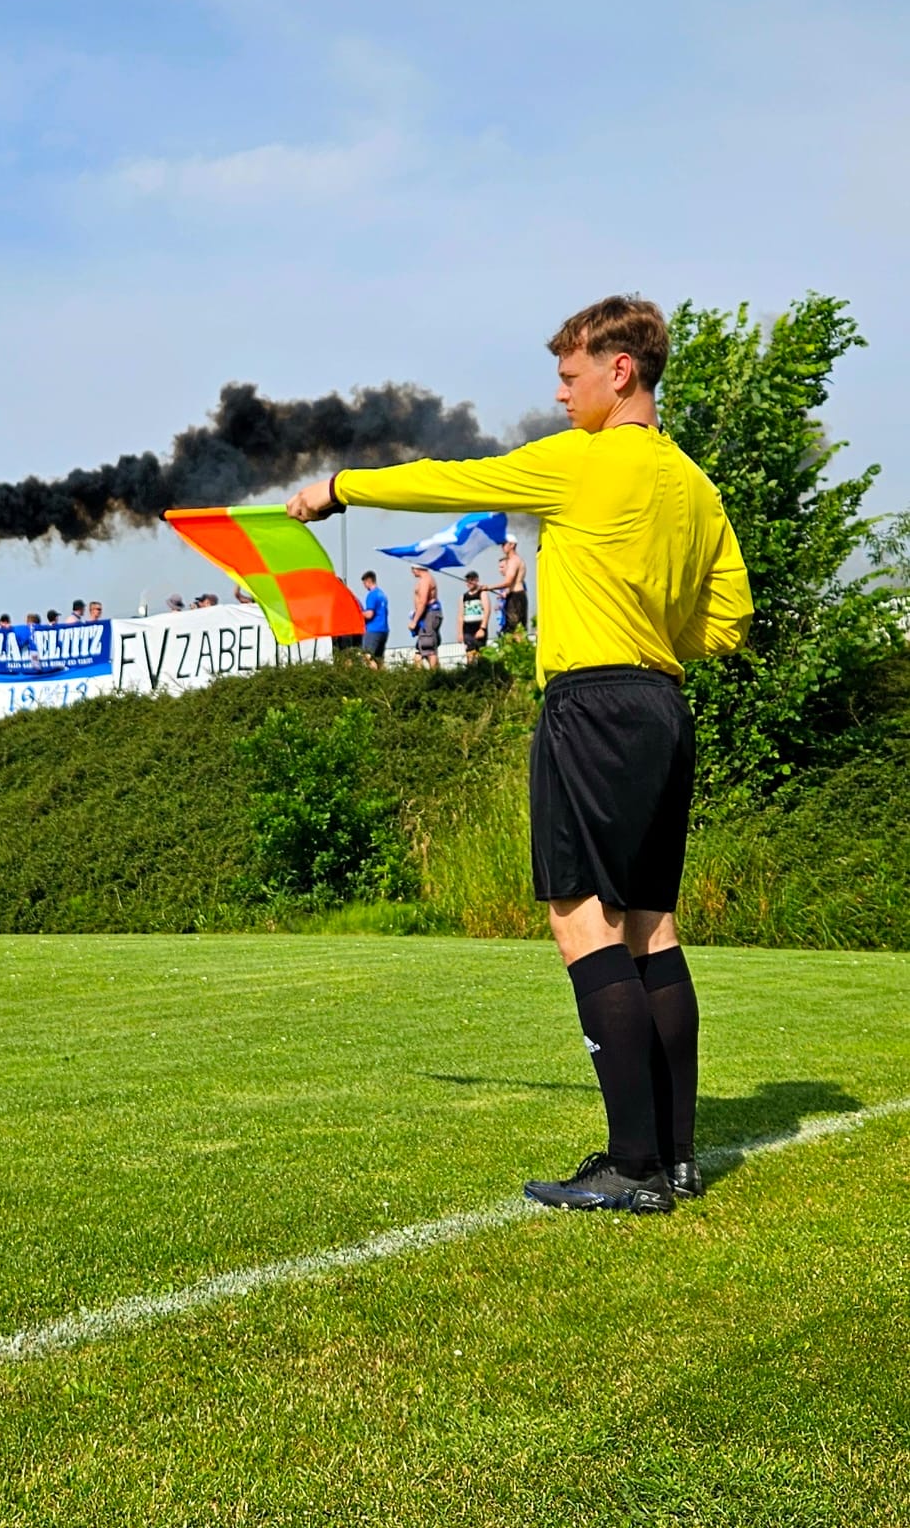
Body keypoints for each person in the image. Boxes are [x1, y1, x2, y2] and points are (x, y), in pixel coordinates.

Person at [287, 294, 753, 1215]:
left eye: (570, 374)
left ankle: (631, 1165)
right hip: (662, 702)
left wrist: (337, 489)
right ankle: (676, 1157)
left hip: (592, 703)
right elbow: (730, 620)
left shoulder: (582, 460)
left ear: (620, 371)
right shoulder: (696, 486)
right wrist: (651, 626)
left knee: (581, 917)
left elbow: (455, 483)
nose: (559, 391)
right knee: (650, 927)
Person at [485, 538, 529, 639]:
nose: (502, 547)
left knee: (516, 629)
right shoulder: (511, 561)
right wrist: (505, 593)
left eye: (504, 544)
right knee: (510, 628)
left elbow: (508, 582)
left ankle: (518, 650)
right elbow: (511, 584)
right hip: (513, 596)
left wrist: (488, 587)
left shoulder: (514, 560)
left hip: (517, 597)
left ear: (512, 545)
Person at [409, 566, 442, 668]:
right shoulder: (426, 579)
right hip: (427, 616)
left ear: (417, 568)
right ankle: (424, 674)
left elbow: (423, 602)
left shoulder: (425, 580)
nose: (411, 572)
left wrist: (414, 621)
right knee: (421, 648)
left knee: (428, 647)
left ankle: (434, 674)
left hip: (429, 615)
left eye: (412, 569)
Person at [459, 570, 492, 663]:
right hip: (467, 628)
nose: (469, 582)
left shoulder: (482, 593)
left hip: (479, 626)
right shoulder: (463, 597)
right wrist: (460, 633)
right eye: (467, 580)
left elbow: (487, 610)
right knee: (470, 652)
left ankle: (481, 670)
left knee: (480, 651)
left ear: (476, 580)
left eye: (472, 580)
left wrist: (483, 628)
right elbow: (460, 615)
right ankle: (471, 670)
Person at [359, 571, 389, 668]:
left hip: (373, 629)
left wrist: (358, 614)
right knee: (379, 659)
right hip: (384, 630)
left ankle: (373, 678)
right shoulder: (382, 594)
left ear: (368, 581)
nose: (364, 586)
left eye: (364, 583)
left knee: (367, 657)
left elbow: (369, 614)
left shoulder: (371, 595)